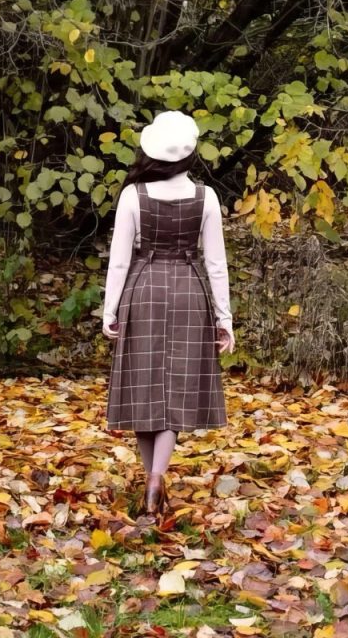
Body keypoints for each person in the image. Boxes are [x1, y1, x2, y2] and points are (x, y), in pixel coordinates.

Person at [102, 110, 235, 518]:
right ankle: (156, 480)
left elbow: (120, 261)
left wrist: (109, 310)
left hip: (142, 290)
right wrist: (224, 318)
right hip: (188, 294)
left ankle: (151, 481)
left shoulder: (133, 195)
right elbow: (216, 263)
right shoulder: (206, 197)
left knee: (144, 387)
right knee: (175, 390)